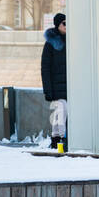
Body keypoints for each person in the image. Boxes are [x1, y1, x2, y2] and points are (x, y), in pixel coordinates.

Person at [41, 13, 68, 150]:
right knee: (61, 110)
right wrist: (48, 91)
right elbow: (45, 68)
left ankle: (56, 141)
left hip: (69, 87)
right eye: (64, 23)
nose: (66, 26)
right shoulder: (51, 44)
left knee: (59, 114)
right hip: (56, 88)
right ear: (58, 25)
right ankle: (61, 140)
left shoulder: (71, 41)